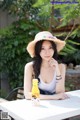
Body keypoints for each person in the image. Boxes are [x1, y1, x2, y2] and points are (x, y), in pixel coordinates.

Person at [24, 31, 69, 100]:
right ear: (37, 51)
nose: (47, 52)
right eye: (42, 48)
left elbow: (60, 93)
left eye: (50, 48)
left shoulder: (61, 67)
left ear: (54, 49)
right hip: (38, 105)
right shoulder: (30, 67)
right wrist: (53, 97)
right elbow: (27, 95)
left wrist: (57, 70)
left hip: (58, 107)